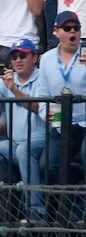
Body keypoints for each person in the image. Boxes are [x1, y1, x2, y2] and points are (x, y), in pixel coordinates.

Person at [36, 11, 86, 224]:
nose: (73, 32)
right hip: (65, 120)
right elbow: (43, 95)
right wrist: (47, 115)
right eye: (67, 28)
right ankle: (59, 212)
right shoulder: (45, 60)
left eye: (76, 28)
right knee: (48, 164)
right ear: (56, 32)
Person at [0, 39, 47, 223]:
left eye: (23, 55)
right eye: (14, 57)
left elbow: (38, 108)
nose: (18, 60)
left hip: (42, 142)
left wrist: (15, 90)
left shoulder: (43, 78)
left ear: (34, 57)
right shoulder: (7, 81)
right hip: (13, 143)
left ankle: (36, 211)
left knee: (24, 151)